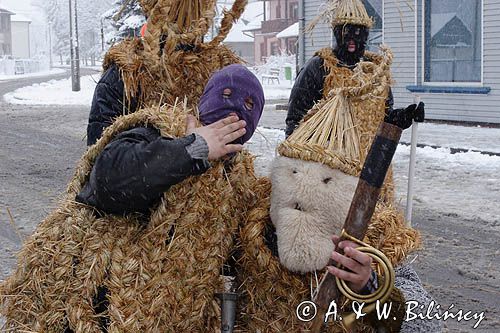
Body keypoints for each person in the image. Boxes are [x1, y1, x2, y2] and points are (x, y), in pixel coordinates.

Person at [0, 64, 266, 332]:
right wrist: (192, 149)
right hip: (96, 304)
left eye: (248, 104)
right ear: (206, 98)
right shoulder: (159, 129)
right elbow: (109, 183)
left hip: (164, 315)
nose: (234, 109)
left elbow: (244, 253)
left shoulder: (240, 182)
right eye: (226, 94)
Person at [88, 0, 247, 145]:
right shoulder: (126, 72)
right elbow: (103, 163)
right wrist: (189, 150)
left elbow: (102, 162)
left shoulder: (125, 72)